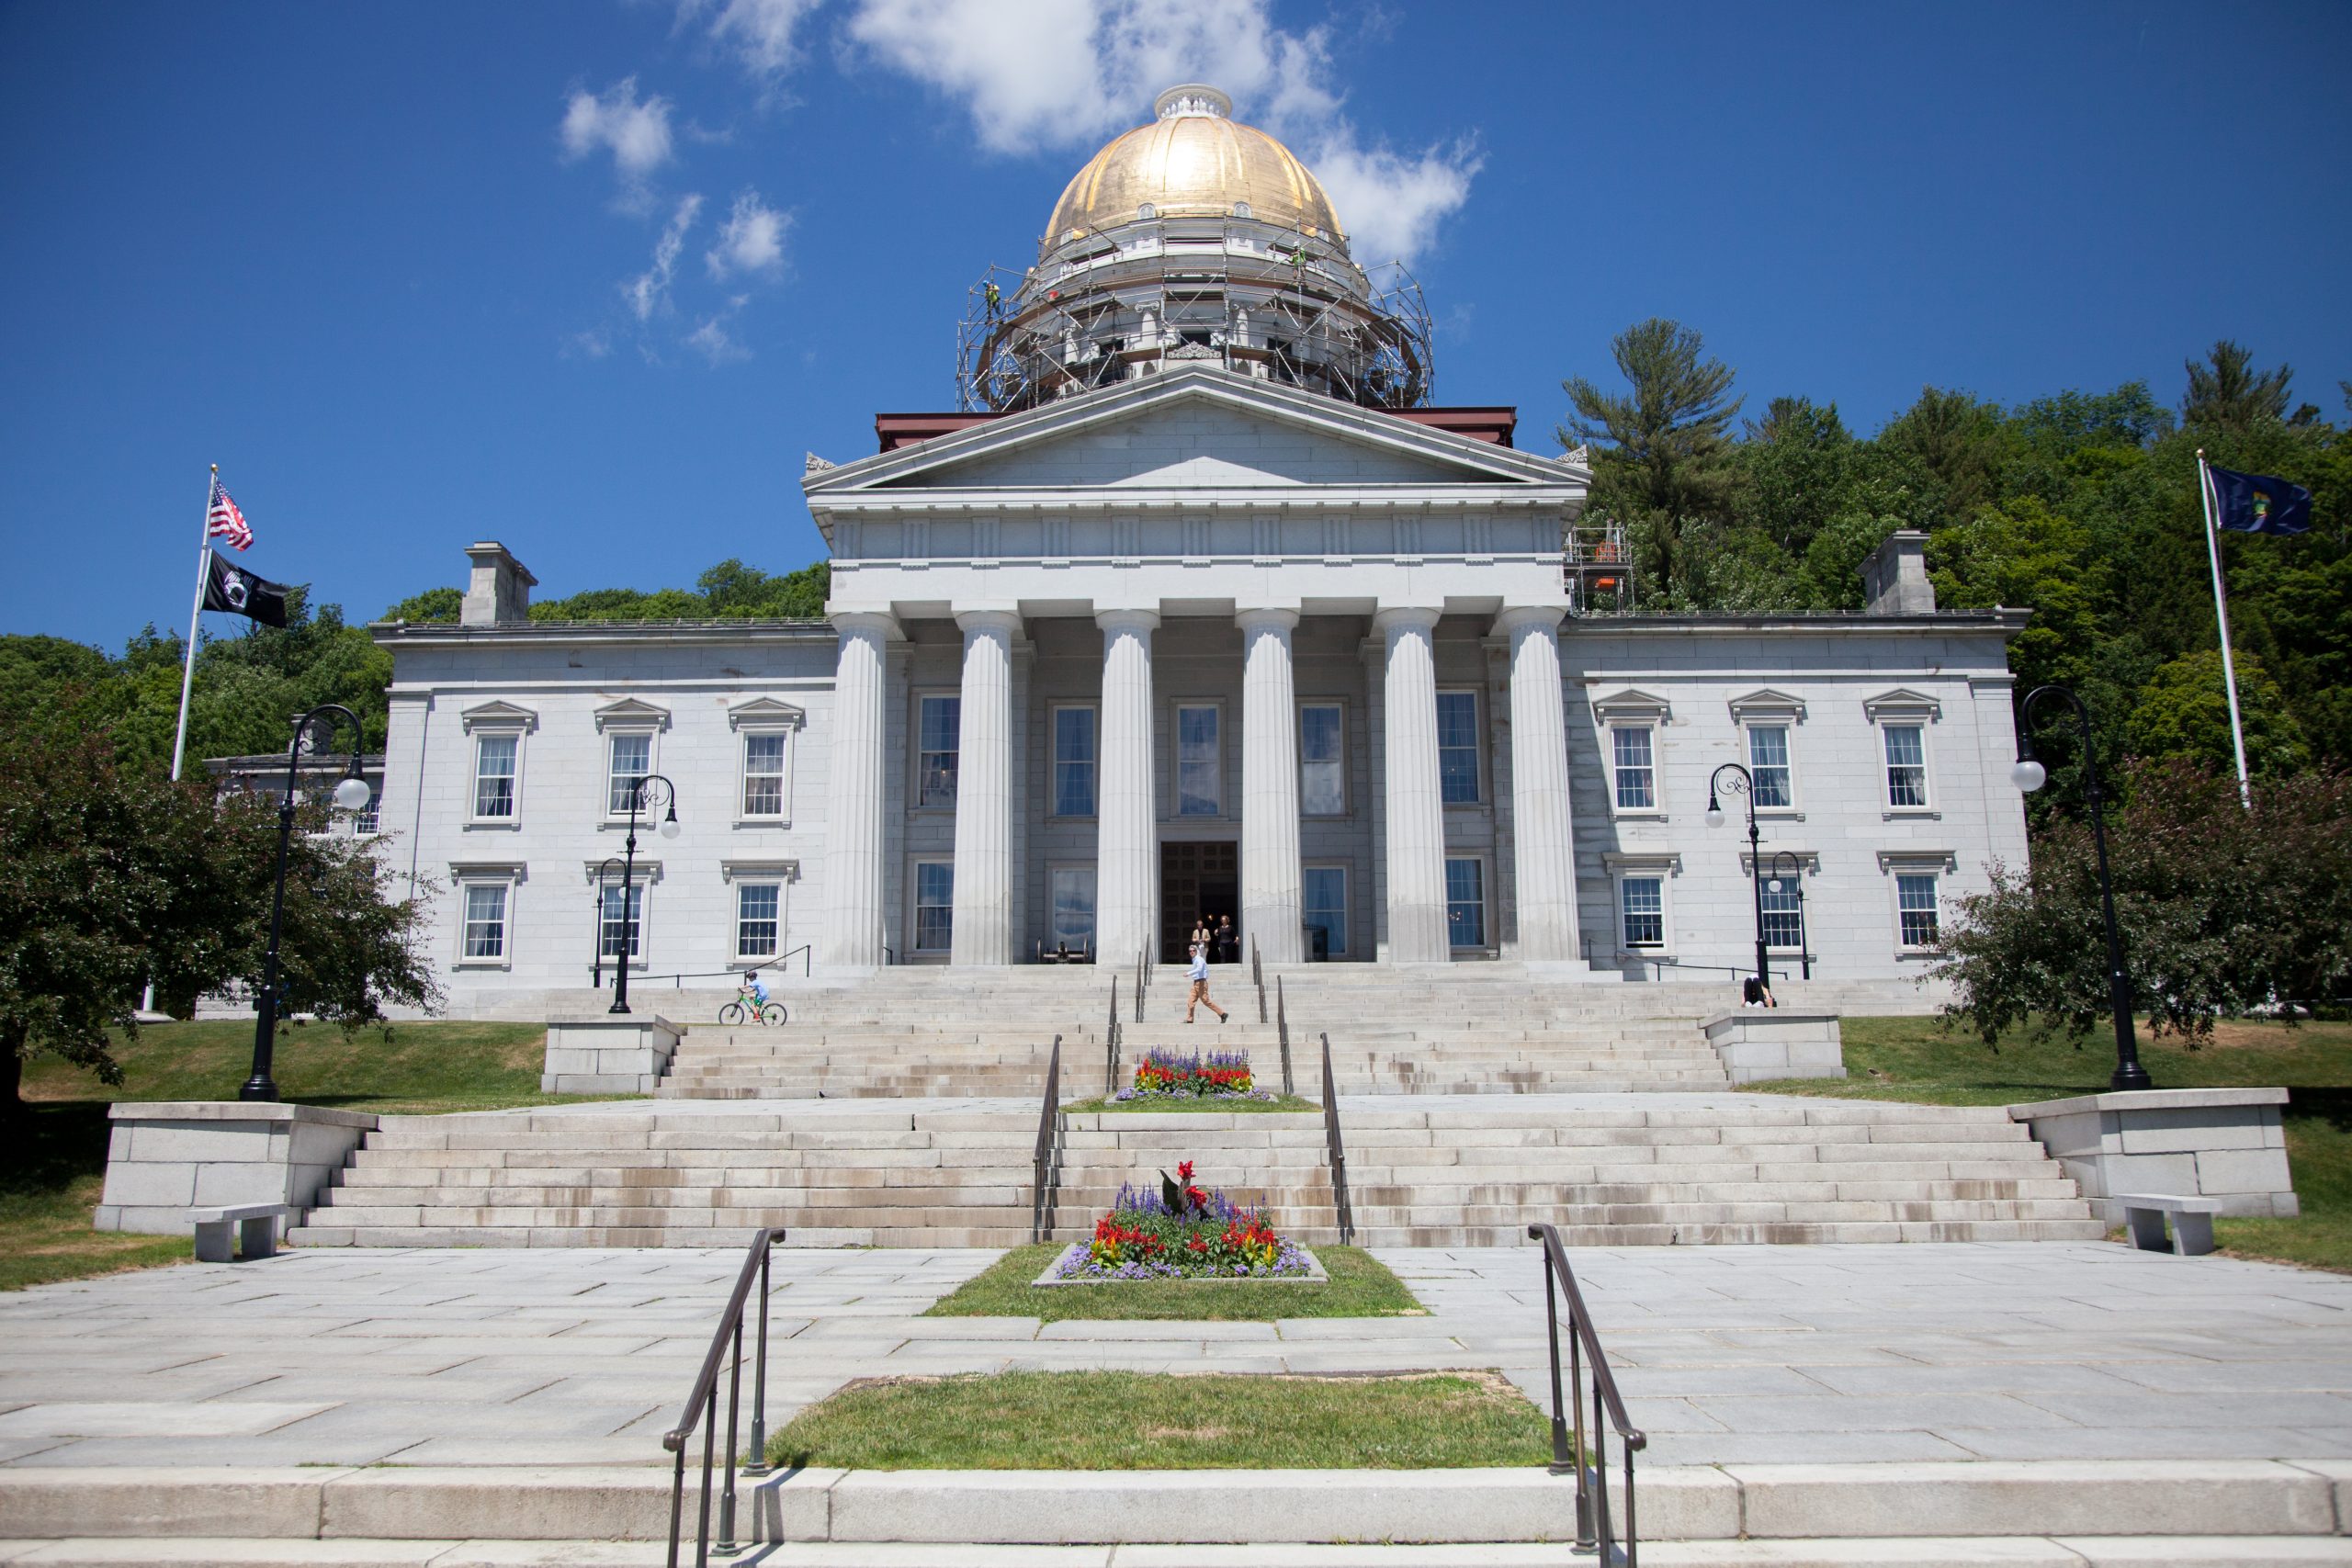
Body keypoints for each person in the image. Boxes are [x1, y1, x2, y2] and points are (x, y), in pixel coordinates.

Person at [1184, 943, 1227, 1024]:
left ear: (1196, 951)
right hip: (1196, 983)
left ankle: (1222, 1014)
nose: (1192, 952)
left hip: (1201, 983)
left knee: (1206, 1001)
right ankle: (1190, 1019)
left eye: (1193, 951)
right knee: (1190, 1001)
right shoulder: (1194, 959)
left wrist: (1188, 973)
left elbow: (1199, 968)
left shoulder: (1199, 959)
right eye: (1190, 951)